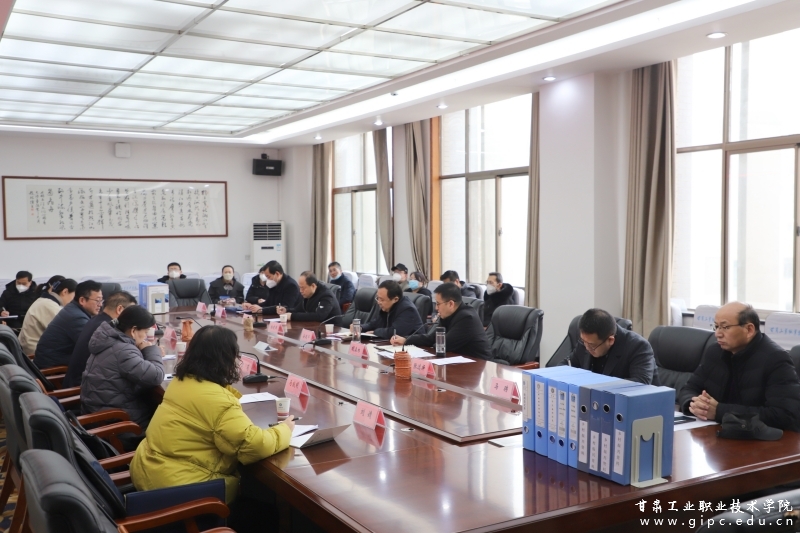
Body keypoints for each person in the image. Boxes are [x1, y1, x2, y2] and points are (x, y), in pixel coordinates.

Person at [130, 325, 294, 505]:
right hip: (180, 490)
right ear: (225, 360)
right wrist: (284, 430)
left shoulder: (181, 381)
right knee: (263, 506)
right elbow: (254, 445)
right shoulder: (218, 400)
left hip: (150, 472)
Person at [678, 302, 800, 431]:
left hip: (757, 438)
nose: (717, 334)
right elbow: (689, 388)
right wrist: (695, 405)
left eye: (725, 327)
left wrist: (719, 411)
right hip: (716, 432)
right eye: (716, 326)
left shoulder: (775, 359)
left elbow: (783, 415)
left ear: (749, 330)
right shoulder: (715, 352)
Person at [81, 305, 165, 447]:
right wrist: (151, 350)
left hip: (99, 415)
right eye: (145, 332)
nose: (145, 337)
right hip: (120, 426)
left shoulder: (108, 340)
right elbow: (156, 376)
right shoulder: (124, 351)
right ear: (133, 331)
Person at [392, 283, 492, 360]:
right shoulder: (448, 315)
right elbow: (432, 338)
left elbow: (442, 345)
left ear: (451, 304)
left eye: (438, 304)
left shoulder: (467, 318)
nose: (436, 308)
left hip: (476, 365)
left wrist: (433, 343)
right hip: (456, 360)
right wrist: (406, 340)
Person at [562, 308, 657, 384]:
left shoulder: (637, 346)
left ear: (610, 340)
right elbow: (566, 364)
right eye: (583, 341)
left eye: (591, 345)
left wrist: (596, 384)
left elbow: (640, 383)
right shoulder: (587, 341)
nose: (586, 348)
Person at [63, 291, 137, 388]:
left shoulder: (96, 321)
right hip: (82, 388)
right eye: (132, 313)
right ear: (119, 309)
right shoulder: (109, 330)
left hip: (81, 382)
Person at [34, 280, 103, 369]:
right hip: (54, 367)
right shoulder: (76, 317)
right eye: (97, 300)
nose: (100, 305)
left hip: (54, 360)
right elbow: (93, 346)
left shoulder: (73, 309)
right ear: (82, 300)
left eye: (101, 300)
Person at [19, 277, 77, 356]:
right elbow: (65, 333)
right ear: (65, 292)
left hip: (30, 348)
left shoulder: (44, 301)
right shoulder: (49, 306)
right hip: (34, 353)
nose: (74, 300)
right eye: (74, 296)